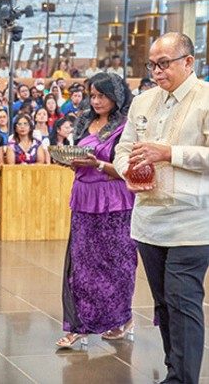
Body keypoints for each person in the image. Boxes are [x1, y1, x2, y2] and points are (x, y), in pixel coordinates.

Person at [114, 32, 209, 384]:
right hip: (149, 222)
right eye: (152, 64)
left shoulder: (205, 99)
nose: (156, 70)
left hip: (192, 223)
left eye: (164, 63)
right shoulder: (143, 102)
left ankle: (183, 379)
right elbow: (122, 150)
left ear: (188, 61)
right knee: (164, 305)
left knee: (183, 303)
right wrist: (130, 170)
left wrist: (169, 153)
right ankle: (174, 372)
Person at [57, 72, 137, 349]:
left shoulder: (126, 126)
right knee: (82, 264)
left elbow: (129, 171)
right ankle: (79, 325)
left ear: (117, 96)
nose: (96, 101)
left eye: (102, 95)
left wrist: (98, 165)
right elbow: (79, 155)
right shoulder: (83, 121)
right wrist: (70, 161)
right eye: (93, 95)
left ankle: (122, 319)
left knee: (117, 264)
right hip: (84, 197)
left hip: (115, 199)